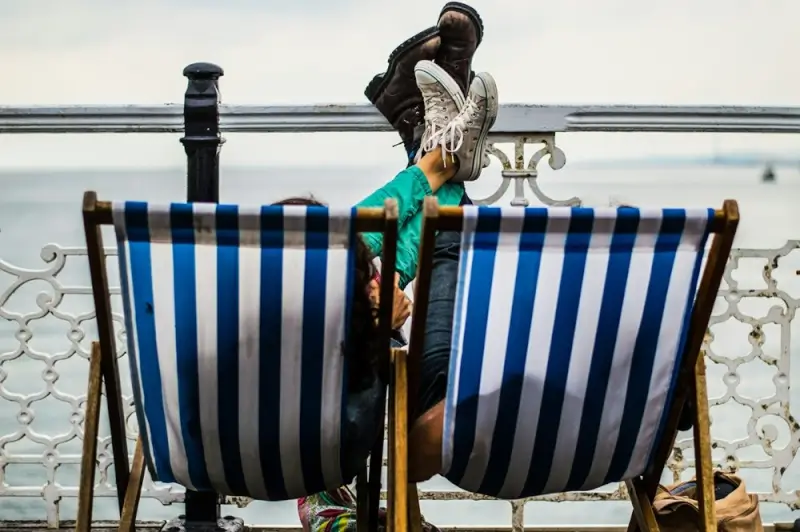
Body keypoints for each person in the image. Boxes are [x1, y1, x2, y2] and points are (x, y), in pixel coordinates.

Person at [298, 4, 494, 530]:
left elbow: (366, 253)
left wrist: (371, 296)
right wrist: (376, 323)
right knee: (355, 240)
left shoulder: (239, 340)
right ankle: (436, 154)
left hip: (218, 445)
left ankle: (430, 149)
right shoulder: (337, 381)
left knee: (339, 241)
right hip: (349, 430)